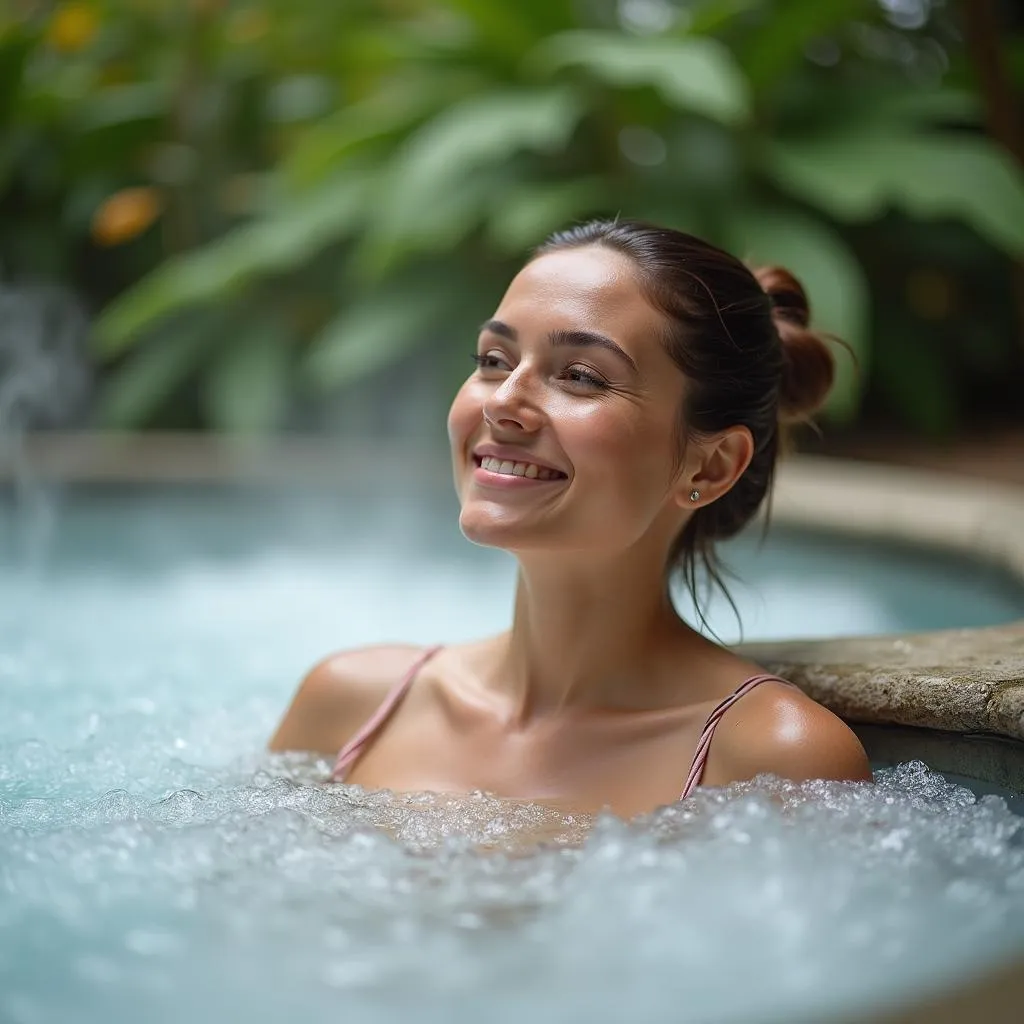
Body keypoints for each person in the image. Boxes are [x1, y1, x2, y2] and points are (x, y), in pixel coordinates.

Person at [270, 219, 873, 818]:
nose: (504, 401)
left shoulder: (774, 761)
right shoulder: (350, 706)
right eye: (493, 359)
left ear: (710, 467)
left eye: (581, 376)